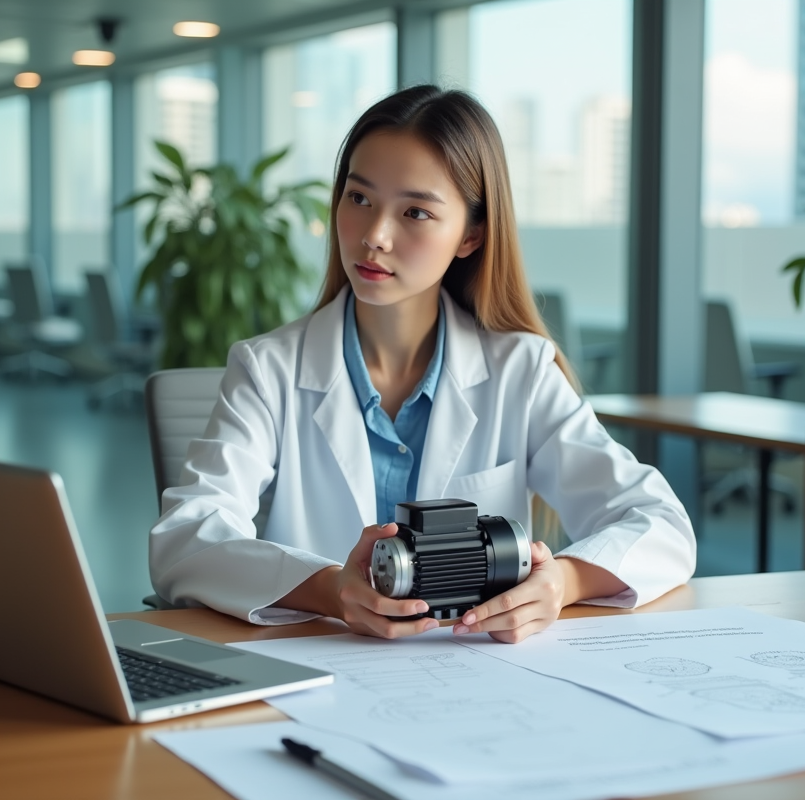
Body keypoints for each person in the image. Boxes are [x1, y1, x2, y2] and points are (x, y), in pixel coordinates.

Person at [149, 85, 695, 643]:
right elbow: (186, 538)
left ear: (471, 236)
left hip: (476, 681)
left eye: (415, 211)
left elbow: (661, 524)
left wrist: (563, 583)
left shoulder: (520, 371)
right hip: (317, 669)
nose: (373, 237)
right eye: (359, 199)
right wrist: (330, 590)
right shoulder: (268, 370)